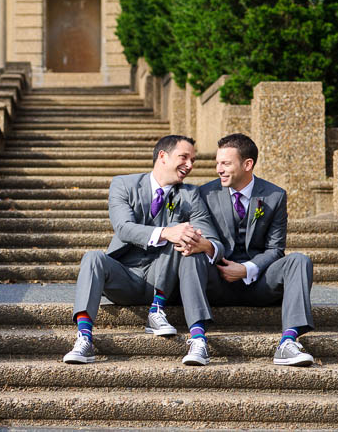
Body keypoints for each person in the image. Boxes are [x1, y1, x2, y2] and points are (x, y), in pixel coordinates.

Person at [63, 135, 225, 365]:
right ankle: (84, 339)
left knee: (183, 235)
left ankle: (157, 311)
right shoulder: (124, 184)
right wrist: (166, 232)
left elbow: (212, 239)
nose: (190, 165)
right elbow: (124, 228)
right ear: (163, 156)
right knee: (92, 258)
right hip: (126, 276)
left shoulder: (191, 194)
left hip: (168, 280)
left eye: (193, 160)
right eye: (184, 157)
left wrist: (205, 245)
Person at [178, 133, 314, 367]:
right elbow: (205, 237)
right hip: (217, 280)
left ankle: (288, 342)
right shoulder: (204, 194)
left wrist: (246, 269)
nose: (219, 169)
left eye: (226, 163)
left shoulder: (275, 196)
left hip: (260, 282)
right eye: (217, 163)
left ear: (247, 164)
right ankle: (198, 338)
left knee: (299, 260)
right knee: (191, 257)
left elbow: (275, 249)